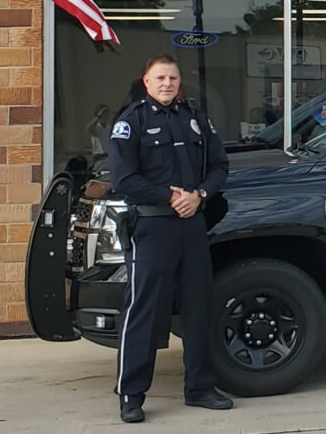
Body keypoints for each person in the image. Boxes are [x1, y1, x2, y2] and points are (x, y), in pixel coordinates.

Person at [107, 54, 232, 423]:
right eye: (160, 78)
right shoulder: (131, 121)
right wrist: (169, 196)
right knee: (144, 311)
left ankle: (200, 388)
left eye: (173, 78)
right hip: (152, 227)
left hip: (192, 225)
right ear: (146, 81)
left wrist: (200, 195)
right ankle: (131, 395)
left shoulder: (195, 119)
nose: (167, 84)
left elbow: (219, 166)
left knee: (198, 307)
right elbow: (123, 179)